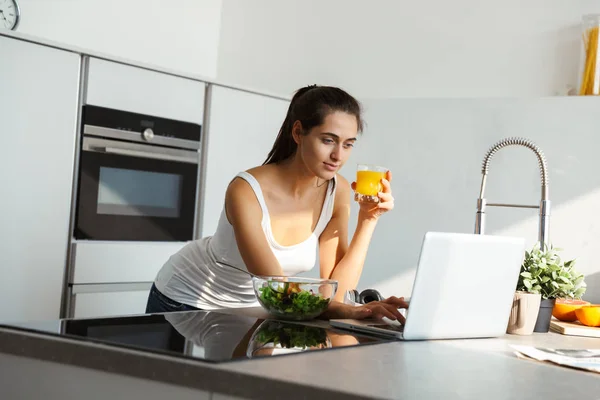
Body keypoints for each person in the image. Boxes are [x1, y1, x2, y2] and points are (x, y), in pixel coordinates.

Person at [146, 84, 408, 322]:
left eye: (348, 144)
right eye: (328, 140)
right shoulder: (246, 190)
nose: (338, 155)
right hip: (185, 299)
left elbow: (335, 292)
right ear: (298, 132)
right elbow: (276, 290)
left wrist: (368, 219)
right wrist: (353, 310)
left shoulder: (336, 190)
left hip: (259, 308)